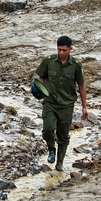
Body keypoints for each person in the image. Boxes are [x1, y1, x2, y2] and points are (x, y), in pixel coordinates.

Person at [34, 36, 88, 171]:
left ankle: (60, 163)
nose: (61, 53)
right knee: (47, 129)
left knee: (63, 136)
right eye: (59, 50)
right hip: (50, 102)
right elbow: (41, 77)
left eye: (64, 50)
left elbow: (81, 85)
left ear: (70, 49)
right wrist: (38, 88)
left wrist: (84, 107)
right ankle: (51, 148)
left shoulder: (76, 65)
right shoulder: (49, 61)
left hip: (66, 105)